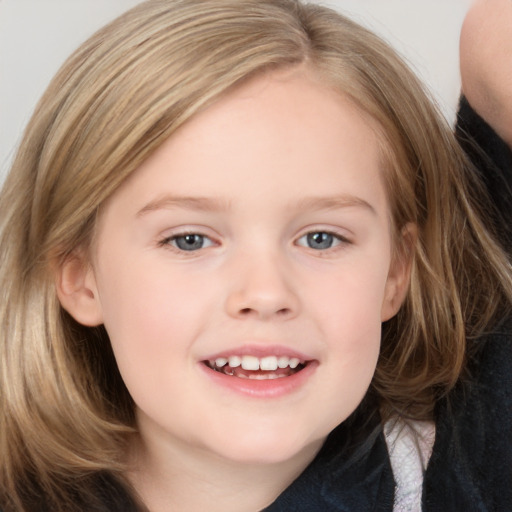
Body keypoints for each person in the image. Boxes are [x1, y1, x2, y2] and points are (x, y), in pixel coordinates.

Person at [0, 1, 510, 511]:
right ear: (80, 278)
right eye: (189, 240)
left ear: (395, 274)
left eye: (321, 238)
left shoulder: (464, 477)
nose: (265, 294)